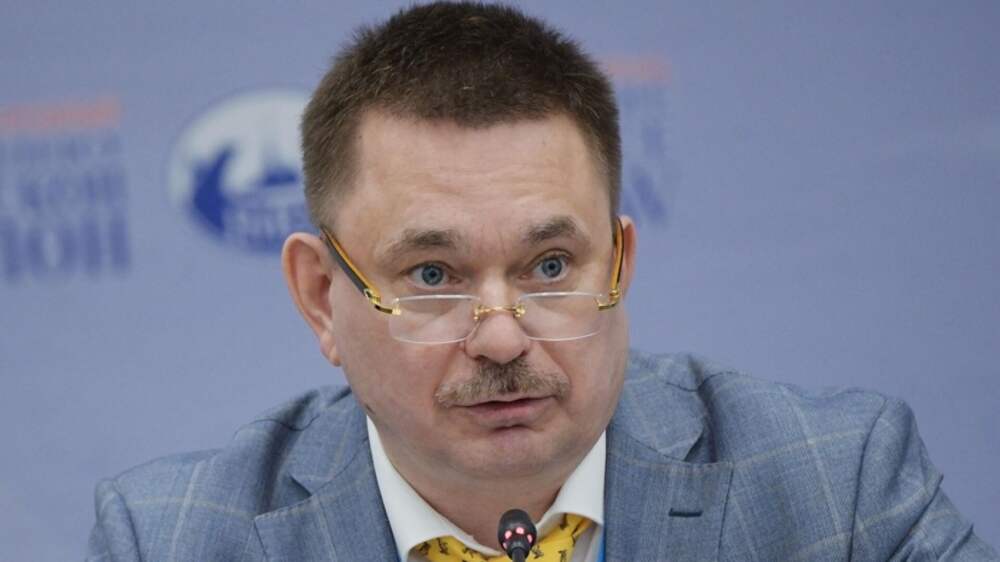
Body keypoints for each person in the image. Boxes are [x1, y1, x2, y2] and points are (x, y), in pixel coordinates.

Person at [86, 2, 997, 561]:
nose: (501, 335)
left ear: (621, 263)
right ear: (323, 297)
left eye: (551, 267)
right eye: (434, 274)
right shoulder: (170, 541)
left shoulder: (836, 488)